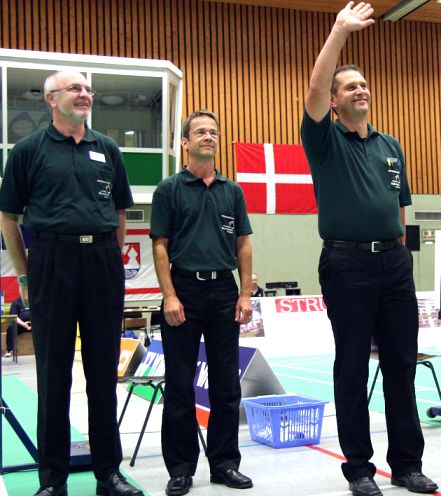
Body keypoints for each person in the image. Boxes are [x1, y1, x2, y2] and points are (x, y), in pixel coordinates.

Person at [301, 3, 438, 496]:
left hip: (393, 263)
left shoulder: (391, 145)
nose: (360, 89)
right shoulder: (323, 139)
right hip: (346, 262)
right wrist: (339, 30)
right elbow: (314, 88)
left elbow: (399, 208)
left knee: (402, 364)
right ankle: (359, 469)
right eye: (349, 86)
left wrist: (398, 254)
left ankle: (407, 465)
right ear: (334, 103)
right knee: (353, 365)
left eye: (363, 84)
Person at [0, 70, 142, 496]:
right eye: (75, 89)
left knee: (102, 374)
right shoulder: (28, 151)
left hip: (101, 262)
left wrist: (111, 261)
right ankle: (53, 480)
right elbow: (9, 217)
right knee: (53, 374)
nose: (85, 95)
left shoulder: (108, 148)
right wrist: (25, 274)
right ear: (50, 99)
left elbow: (119, 213)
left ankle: (109, 475)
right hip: (50, 262)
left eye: (88, 90)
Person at [150, 110, 254, 496]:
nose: (208, 137)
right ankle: (180, 468)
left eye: (213, 132)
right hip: (185, 292)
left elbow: (243, 244)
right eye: (200, 132)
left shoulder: (233, 191)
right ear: (185, 142)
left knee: (227, 384)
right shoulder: (169, 190)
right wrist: (170, 296)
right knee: (180, 385)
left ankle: (225, 463)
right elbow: (160, 246)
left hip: (224, 292)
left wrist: (244, 293)